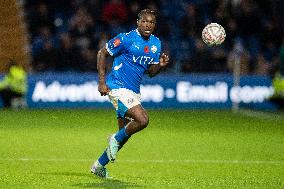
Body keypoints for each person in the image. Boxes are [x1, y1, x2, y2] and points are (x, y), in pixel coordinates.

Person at [91, 9, 169, 178]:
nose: (148, 25)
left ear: (155, 25)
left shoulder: (156, 44)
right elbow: (102, 53)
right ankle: (113, 138)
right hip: (117, 86)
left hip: (134, 91)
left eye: (151, 22)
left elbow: (150, 72)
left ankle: (99, 165)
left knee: (124, 134)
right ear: (138, 22)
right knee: (142, 120)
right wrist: (102, 82)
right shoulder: (126, 39)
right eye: (144, 21)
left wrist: (160, 66)